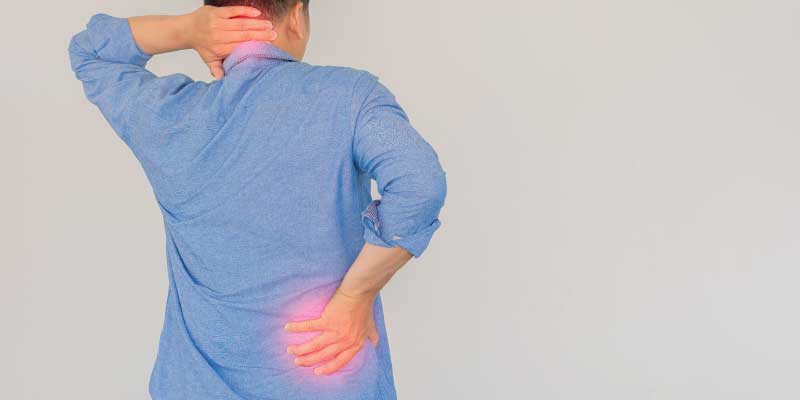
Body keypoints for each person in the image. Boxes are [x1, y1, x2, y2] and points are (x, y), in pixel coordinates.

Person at [68, 1, 446, 399]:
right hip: (322, 376)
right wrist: (356, 296)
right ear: (296, 16)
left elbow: (91, 51)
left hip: (194, 386)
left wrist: (187, 30)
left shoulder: (171, 115)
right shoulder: (349, 97)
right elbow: (419, 184)